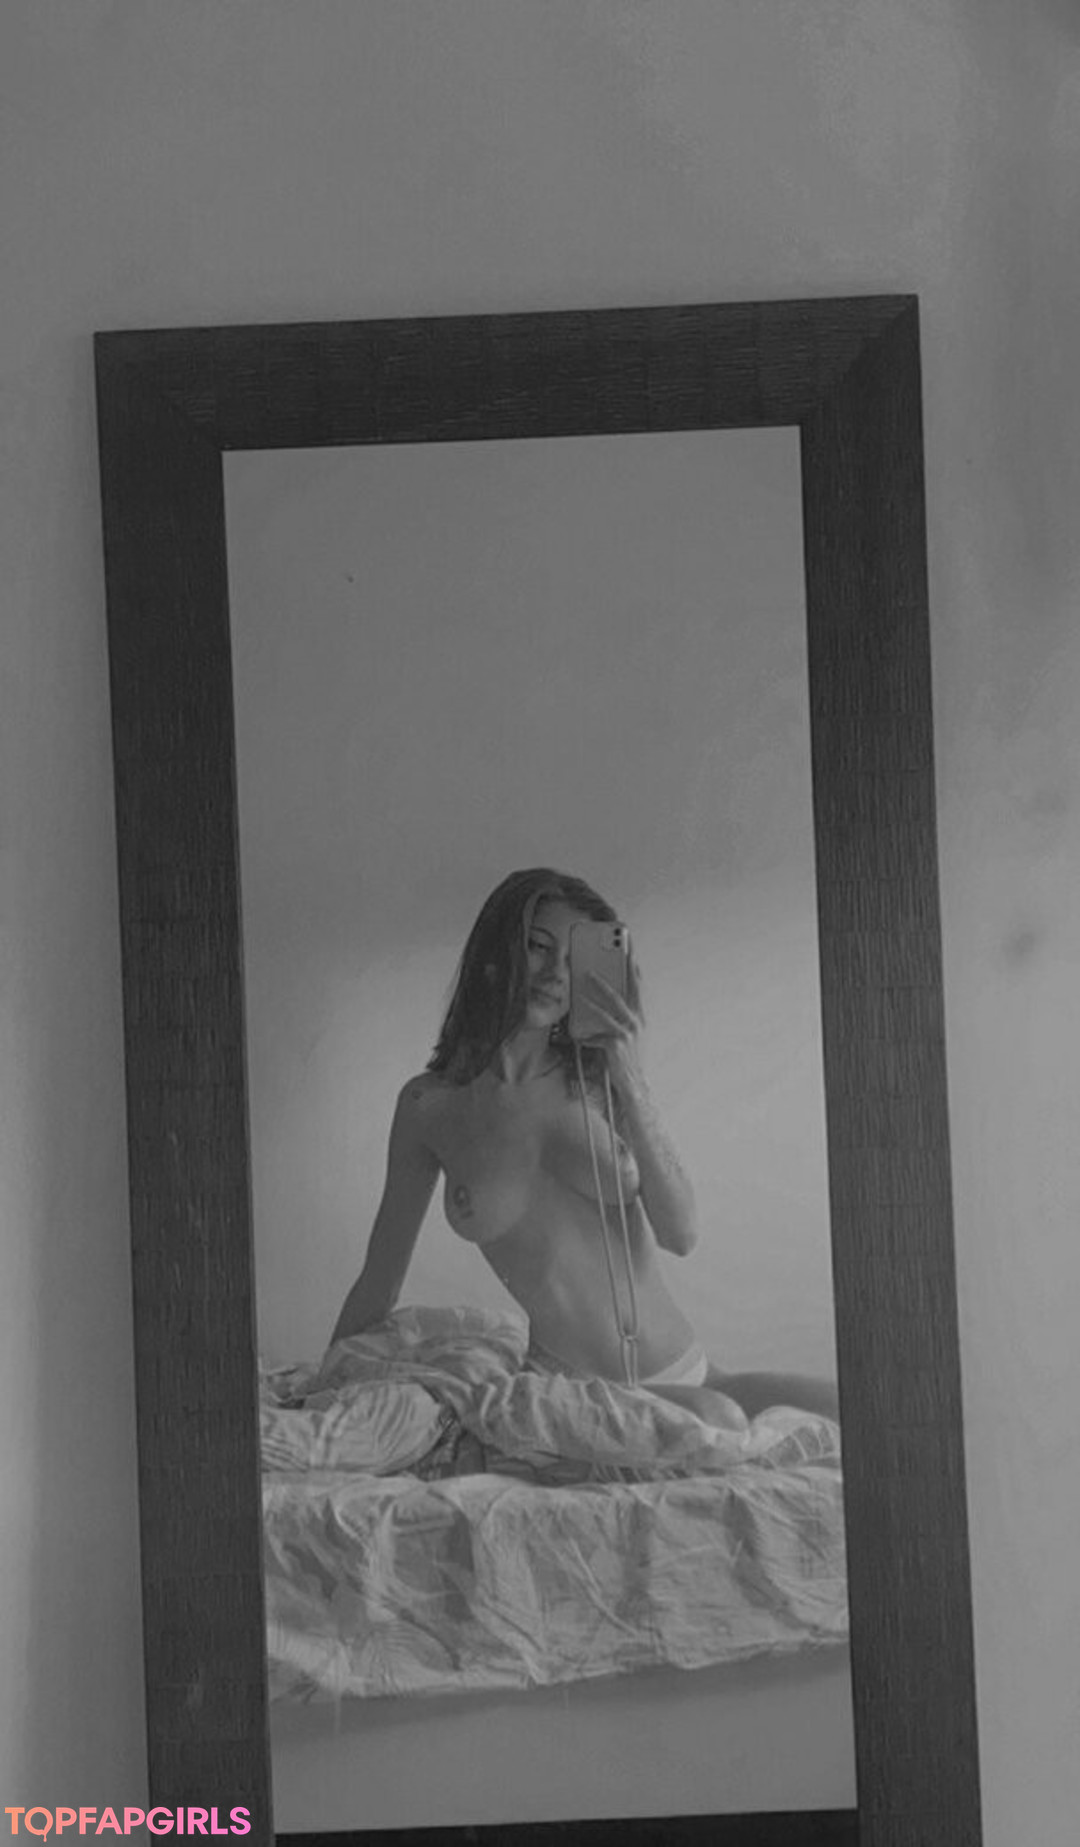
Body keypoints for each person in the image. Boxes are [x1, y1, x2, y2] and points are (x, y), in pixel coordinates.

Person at [330, 868, 839, 1429]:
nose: (556, 974)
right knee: (719, 1421)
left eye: (575, 961)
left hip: (690, 1371)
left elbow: (681, 1234)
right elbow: (379, 1280)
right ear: (496, 954)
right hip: (570, 1390)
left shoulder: (601, 1082)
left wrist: (630, 1078)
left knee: (852, 1404)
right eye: (538, 947)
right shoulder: (429, 1106)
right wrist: (321, 1385)